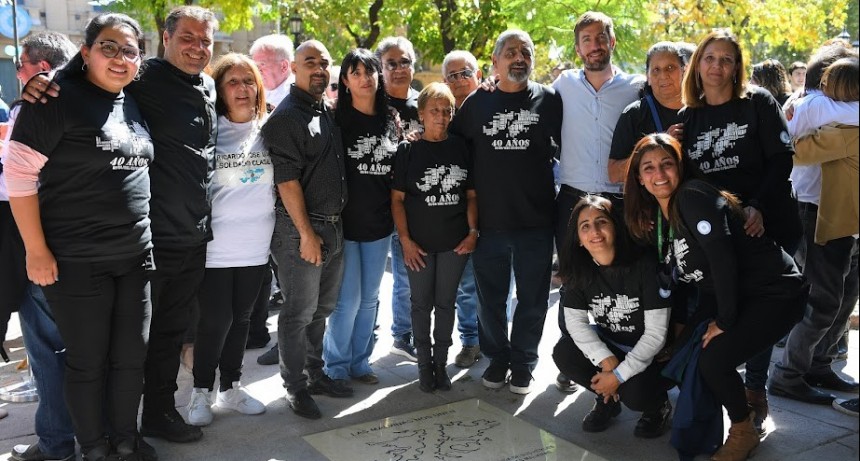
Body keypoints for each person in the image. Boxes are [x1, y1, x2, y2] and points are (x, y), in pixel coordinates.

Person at [20, 5, 220, 444]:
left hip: (190, 233)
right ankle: (100, 439)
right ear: (165, 38)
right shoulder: (138, 76)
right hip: (142, 239)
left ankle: (155, 416)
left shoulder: (208, 84)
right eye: (187, 37)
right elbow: (89, 72)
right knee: (111, 352)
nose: (197, 47)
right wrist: (46, 80)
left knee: (163, 338)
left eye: (205, 40)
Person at [7, 13, 154, 461]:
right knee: (86, 362)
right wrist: (36, 250)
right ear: (85, 52)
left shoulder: (133, 100)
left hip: (135, 257)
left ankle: (125, 441)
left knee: (130, 359)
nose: (119, 57)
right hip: (76, 261)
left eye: (129, 50)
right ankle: (92, 448)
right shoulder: (54, 99)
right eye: (108, 47)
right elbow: (17, 177)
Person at [624, 133, 806, 461]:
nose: (659, 174)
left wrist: (724, 320)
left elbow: (722, 259)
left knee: (714, 360)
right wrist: (687, 334)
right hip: (746, 294)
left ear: (681, 168)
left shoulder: (692, 196)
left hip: (777, 293)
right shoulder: (665, 217)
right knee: (681, 354)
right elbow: (705, 282)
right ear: (639, 178)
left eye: (667, 164)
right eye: (648, 167)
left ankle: (743, 429)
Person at [679, 29, 802, 434]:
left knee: (762, 312)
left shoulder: (758, 103)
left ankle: (754, 391)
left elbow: (782, 158)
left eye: (726, 59)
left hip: (767, 223)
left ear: (737, 67)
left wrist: (757, 206)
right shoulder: (687, 118)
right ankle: (728, 389)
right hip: (724, 236)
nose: (717, 66)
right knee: (733, 309)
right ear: (698, 65)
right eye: (710, 58)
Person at [450, 29, 562, 394]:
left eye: (525, 51)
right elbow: (455, 154)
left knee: (533, 300)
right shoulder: (475, 105)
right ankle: (498, 358)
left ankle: (524, 364)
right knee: (489, 301)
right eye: (510, 52)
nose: (519, 57)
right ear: (494, 63)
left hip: (537, 223)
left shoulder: (550, 100)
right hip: (490, 225)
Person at [552, 11, 644, 393]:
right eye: (587, 39)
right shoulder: (562, 85)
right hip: (572, 199)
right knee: (572, 282)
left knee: (620, 283)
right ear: (578, 48)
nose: (594, 45)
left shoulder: (636, 87)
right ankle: (573, 357)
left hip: (618, 202)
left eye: (600, 37)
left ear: (612, 41)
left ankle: (627, 361)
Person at [261, 40, 349, 420]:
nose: (318, 69)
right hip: (301, 232)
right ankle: (295, 387)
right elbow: (287, 182)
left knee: (321, 309)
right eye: (309, 62)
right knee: (298, 313)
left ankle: (315, 374)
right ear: (293, 68)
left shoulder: (324, 110)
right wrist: (307, 235)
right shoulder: (286, 118)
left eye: (324, 63)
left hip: (332, 228)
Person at [1, 31, 79, 461]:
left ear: (40, 68)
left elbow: (14, 184)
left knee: (49, 354)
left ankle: (56, 445)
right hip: (80, 246)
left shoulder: (34, 107)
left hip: (43, 249)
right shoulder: (94, 99)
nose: (18, 75)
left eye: (21, 66)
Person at [185, 53, 272, 427]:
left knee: (243, 319)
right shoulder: (209, 130)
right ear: (219, 89)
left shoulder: (270, 129)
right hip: (216, 246)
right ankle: (200, 391)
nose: (242, 89)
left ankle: (231, 387)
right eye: (233, 82)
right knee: (214, 320)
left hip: (257, 244)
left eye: (248, 81)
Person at [770, 50, 859, 405]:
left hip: (847, 218)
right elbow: (791, 149)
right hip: (823, 213)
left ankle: (818, 364)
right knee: (824, 300)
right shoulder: (816, 108)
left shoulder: (815, 107)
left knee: (845, 296)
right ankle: (788, 375)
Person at [552, 195, 672, 438]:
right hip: (614, 349)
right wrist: (606, 361)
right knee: (564, 352)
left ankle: (657, 406)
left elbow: (656, 335)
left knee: (635, 394)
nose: (594, 231)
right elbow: (575, 323)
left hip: (653, 354)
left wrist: (617, 375)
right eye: (585, 226)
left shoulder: (644, 264)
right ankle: (607, 398)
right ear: (579, 239)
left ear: (616, 225)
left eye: (601, 222)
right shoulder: (581, 269)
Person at [392, 82, 477, 392]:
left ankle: (441, 365)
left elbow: (470, 195)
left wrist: (472, 233)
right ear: (422, 114)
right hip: (419, 245)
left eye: (446, 111)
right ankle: (424, 366)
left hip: (455, 243)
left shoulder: (460, 147)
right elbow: (398, 200)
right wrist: (405, 240)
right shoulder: (408, 149)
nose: (441, 117)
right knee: (419, 304)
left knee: (446, 304)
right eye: (434, 111)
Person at [322, 48, 398, 388]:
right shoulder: (335, 119)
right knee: (347, 299)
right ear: (345, 81)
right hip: (345, 225)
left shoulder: (389, 118)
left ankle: (359, 362)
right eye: (356, 73)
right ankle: (335, 366)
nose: (365, 78)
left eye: (370, 71)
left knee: (370, 298)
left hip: (380, 225)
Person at [247, 33, 295, 357]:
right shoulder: (256, 93)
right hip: (260, 202)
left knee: (290, 278)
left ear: (283, 65)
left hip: (290, 203)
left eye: (260, 65)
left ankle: (290, 343)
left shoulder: (294, 98)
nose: (255, 70)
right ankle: (258, 332)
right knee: (264, 272)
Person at [375, 36, 422, 362]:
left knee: (408, 275)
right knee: (368, 283)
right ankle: (364, 337)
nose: (399, 68)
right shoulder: (371, 105)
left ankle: (403, 335)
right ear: (381, 68)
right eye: (391, 63)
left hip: (414, 207)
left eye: (404, 61)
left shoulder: (424, 103)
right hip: (374, 207)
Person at [441, 49, 482, 368]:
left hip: (498, 210)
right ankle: (470, 341)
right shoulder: (444, 118)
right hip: (458, 213)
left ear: (478, 74)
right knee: (467, 285)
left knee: (500, 284)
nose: (459, 80)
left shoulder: (495, 103)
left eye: (465, 72)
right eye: (452, 75)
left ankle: (497, 342)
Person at [608, 41, 687, 184]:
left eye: (670, 68)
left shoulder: (702, 109)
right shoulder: (634, 114)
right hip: (650, 204)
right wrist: (659, 147)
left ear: (684, 70)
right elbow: (613, 174)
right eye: (656, 70)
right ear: (648, 77)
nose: (664, 75)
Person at [250, 34, 294, 108]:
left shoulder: (297, 95)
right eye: (255, 66)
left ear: (284, 66)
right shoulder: (254, 92)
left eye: (262, 64)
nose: (257, 71)